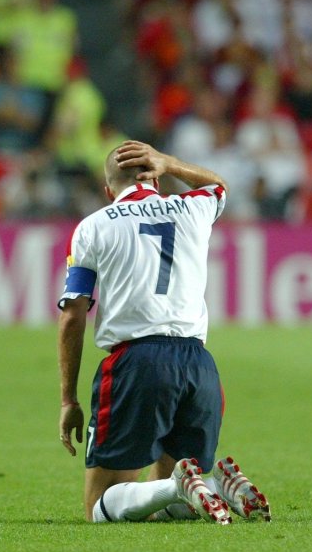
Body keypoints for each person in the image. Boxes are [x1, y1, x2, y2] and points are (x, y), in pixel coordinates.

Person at [57, 139, 271, 524]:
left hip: (137, 364)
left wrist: (68, 399)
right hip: (199, 368)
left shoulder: (92, 227)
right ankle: (219, 487)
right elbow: (218, 185)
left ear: (108, 190)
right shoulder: (192, 207)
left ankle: (178, 486)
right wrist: (171, 163)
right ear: (154, 176)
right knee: (166, 506)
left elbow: (73, 314)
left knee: (98, 506)